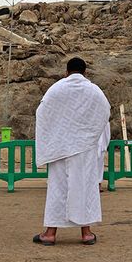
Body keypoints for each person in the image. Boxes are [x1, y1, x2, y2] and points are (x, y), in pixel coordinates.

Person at [33, 57, 110, 246]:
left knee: (57, 188)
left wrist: (54, 138)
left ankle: (50, 233)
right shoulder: (94, 90)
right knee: (85, 186)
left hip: (60, 147)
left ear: (66, 72)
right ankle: (86, 233)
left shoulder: (56, 89)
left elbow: (42, 113)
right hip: (84, 149)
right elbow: (105, 112)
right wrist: (89, 137)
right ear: (85, 73)